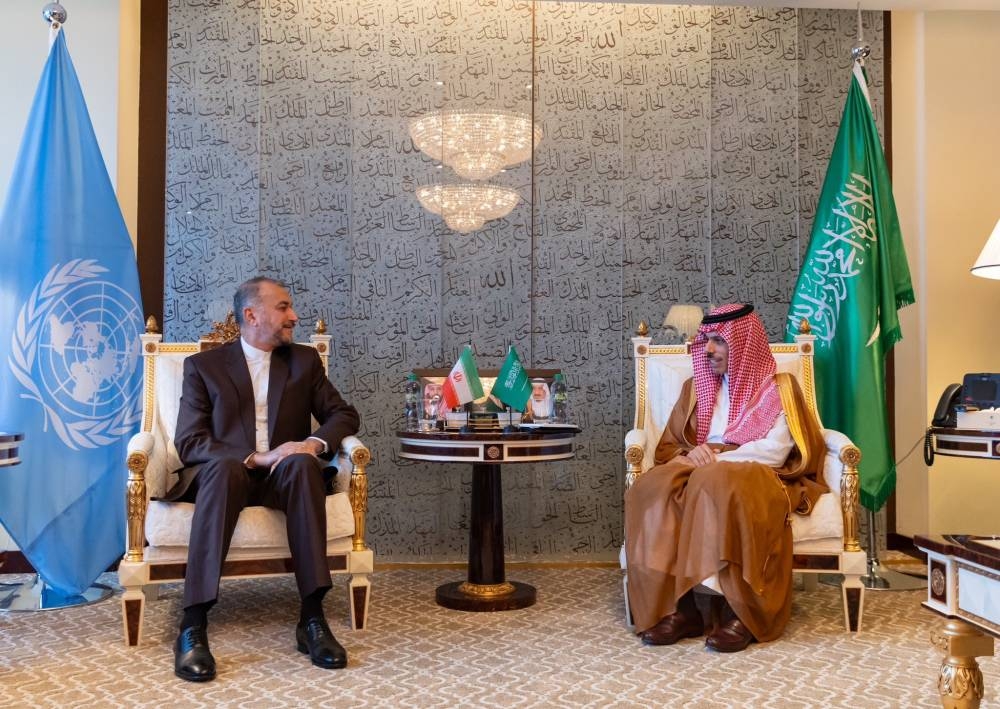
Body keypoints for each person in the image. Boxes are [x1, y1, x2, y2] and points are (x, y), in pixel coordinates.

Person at [166, 276, 361, 681]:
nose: (294, 316)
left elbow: (343, 414)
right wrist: (256, 457)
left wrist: (311, 444)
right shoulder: (204, 367)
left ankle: (312, 619)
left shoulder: (304, 361)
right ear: (252, 315)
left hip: (284, 478)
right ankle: (193, 623)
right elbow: (190, 441)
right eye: (284, 307)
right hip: (227, 475)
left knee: (302, 464)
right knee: (224, 468)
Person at [624, 303, 828, 652]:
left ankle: (741, 611)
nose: (708, 349)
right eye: (707, 340)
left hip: (757, 472)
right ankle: (681, 609)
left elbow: (775, 451)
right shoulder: (696, 388)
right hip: (700, 467)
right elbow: (670, 446)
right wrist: (691, 456)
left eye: (719, 340)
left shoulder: (779, 388)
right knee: (651, 488)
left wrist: (716, 458)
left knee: (718, 481)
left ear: (743, 344)